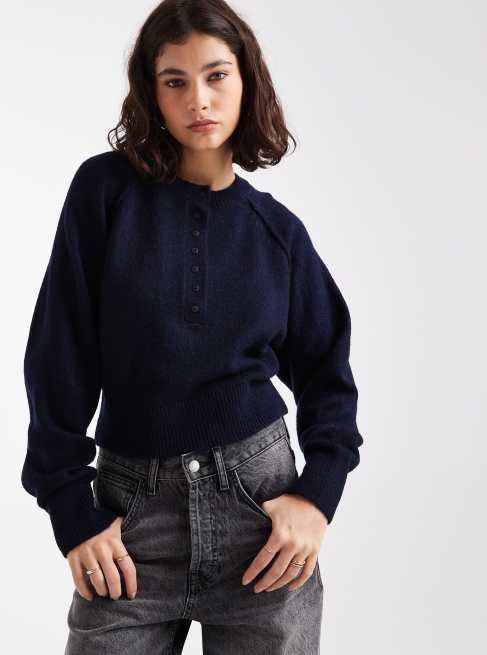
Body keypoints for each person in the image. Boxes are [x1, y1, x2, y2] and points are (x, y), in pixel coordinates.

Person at [21, 0, 364, 652]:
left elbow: (329, 373)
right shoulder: (105, 192)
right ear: (151, 93)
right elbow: (58, 354)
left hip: (258, 520)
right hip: (130, 520)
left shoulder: (277, 233)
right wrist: (70, 508)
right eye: (174, 81)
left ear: (247, 81)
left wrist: (317, 497)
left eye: (216, 75)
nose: (198, 100)